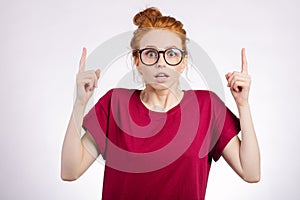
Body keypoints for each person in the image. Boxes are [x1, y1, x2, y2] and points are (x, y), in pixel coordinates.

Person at [61, 7, 260, 200]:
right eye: (150, 53)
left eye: (171, 53)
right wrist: (80, 103)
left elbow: (250, 172)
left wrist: (243, 105)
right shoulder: (116, 103)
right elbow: (70, 171)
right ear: (137, 61)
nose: (161, 62)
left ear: (183, 62)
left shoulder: (207, 107)